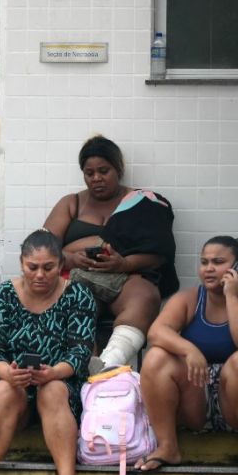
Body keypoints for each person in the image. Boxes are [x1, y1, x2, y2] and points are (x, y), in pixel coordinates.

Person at [137, 236, 238, 475]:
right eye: (204, 262)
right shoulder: (189, 298)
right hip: (201, 390)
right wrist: (190, 350)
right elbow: (156, 332)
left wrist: (231, 296)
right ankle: (168, 447)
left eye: (218, 262)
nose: (208, 268)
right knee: (156, 357)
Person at [0, 229, 95, 475]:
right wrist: (8, 373)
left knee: (51, 390)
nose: (40, 275)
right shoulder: (2, 295)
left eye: (48, 267)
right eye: (33, 267)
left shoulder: (78, 295)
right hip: (14, 386)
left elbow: (80, 353)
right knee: (4, 388)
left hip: (62, 387)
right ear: (22, 263)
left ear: (61, 265)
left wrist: (52, 373)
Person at [43, 135, 177, 371]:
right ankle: (83, 372)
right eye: (89, 173)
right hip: (77, 277)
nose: (96, 179)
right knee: (74, 303)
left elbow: (159, 250)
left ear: (119, 169)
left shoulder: (144, 202)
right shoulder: (71, 203)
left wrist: (124, 263)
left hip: (126, 276)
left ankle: (109, 363)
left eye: (104, 171)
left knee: (145, 295)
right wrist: (72, 258)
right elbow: (43, 249)